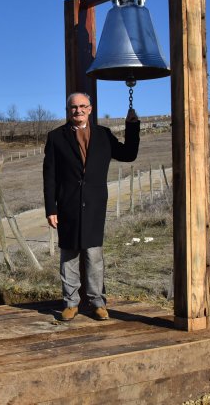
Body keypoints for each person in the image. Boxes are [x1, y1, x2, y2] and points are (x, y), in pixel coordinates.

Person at [43, 92, 139, 321]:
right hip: (67, 204)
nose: (78, 110)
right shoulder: (56, 137)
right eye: (73, 107)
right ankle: (70, 303)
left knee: (94, 256)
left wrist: (132, 125)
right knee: (69, 256)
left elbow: (128, 154)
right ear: (68, 110)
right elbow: (50, 177)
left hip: (95, 204)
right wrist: (51, 208)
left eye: (82, 106)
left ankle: (98, 302)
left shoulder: (103, 134)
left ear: (90, 108)